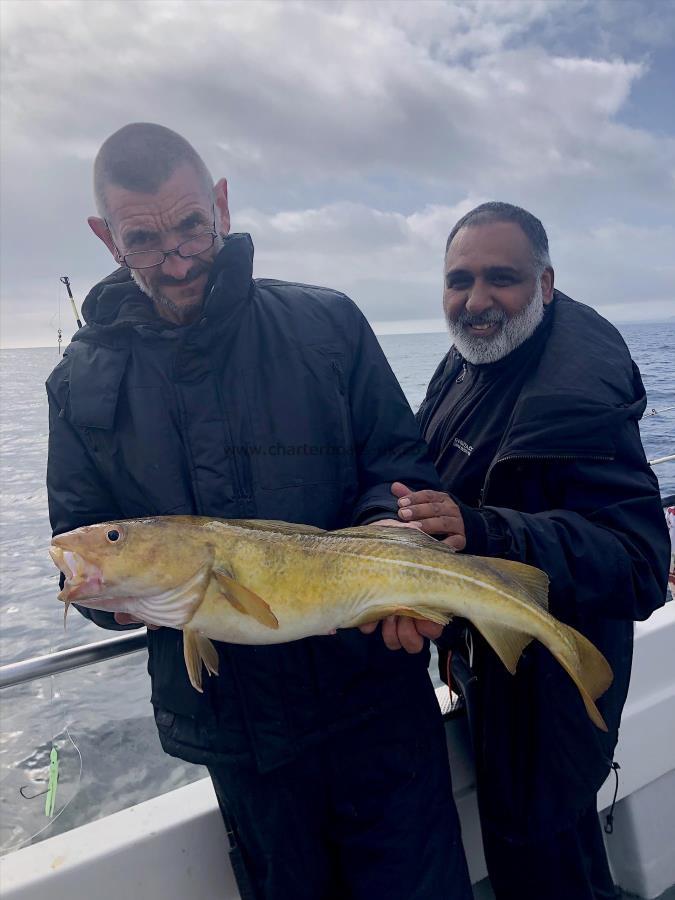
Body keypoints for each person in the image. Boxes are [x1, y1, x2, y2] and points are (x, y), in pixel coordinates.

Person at [45, 123, 473, 900]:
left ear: (221, 205)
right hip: (238, 737)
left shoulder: (326, 324)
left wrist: (389, 526)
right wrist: (109, 602)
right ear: (107, 238)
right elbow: (78, 536)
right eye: (144, 239)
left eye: (189, 228)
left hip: (374, 702)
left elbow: (398, 464)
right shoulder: (77, 382)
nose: (175, 258)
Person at [377, 202, 670, 899]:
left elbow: (637, 566)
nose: (476, 301)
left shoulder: (572, 396)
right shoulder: (469, 360)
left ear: (543, 284)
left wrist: (485, 530)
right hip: (490, 669)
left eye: (500, 278)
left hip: (551, 704)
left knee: (548, 869)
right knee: (522, 861)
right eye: (459, 280)